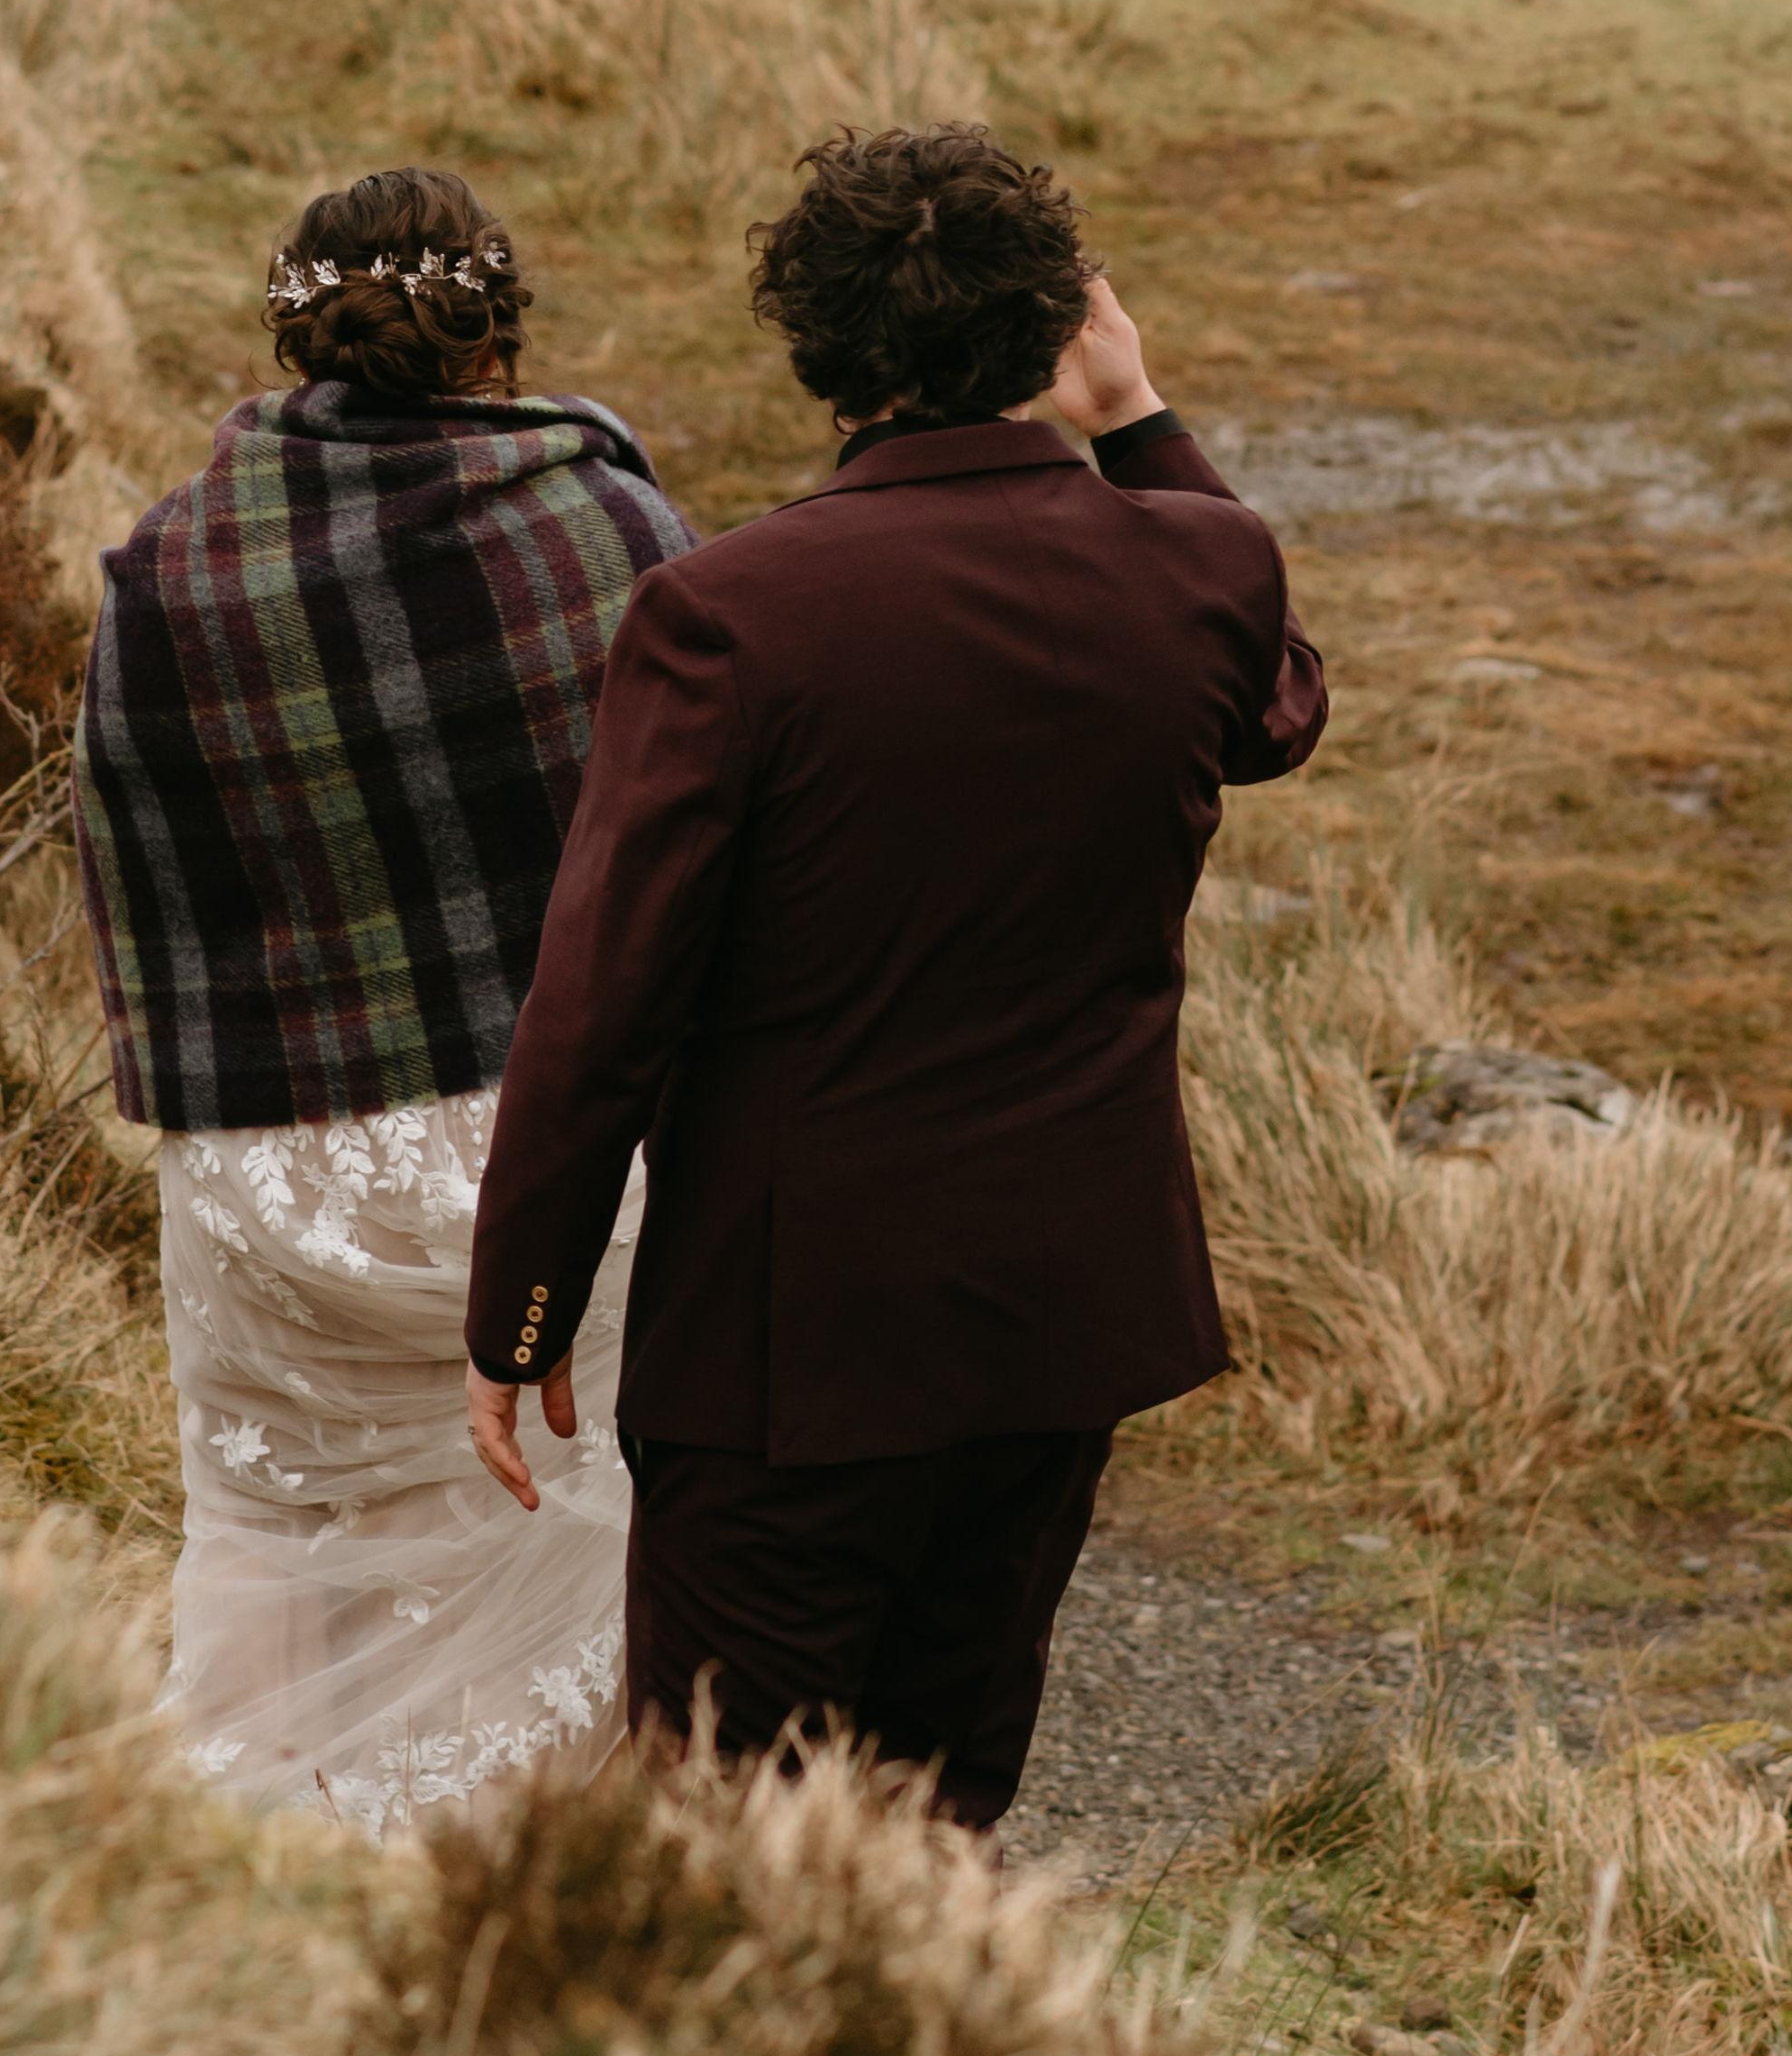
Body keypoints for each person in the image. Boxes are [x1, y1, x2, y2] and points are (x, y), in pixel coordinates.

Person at [456, 121, 1323, 1834]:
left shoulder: (726, 617)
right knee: (940, 1804)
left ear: (820, 348)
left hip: (797, 1347)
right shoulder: (1196, 576)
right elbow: (1278, 699)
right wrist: (1138, 417)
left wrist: (523, 1313)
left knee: (723, 1825)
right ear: (1052, 328)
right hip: (1070, 1315)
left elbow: (601, 1008)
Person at [73, 162, 691, 1835]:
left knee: (278, 1553)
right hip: (545, 1167)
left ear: (290, 334)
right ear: (498, 337)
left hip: (267, 1174)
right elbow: (684, 865)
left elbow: (145, 877)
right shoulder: (613, 536)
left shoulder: (164, 576)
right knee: (551, 1546)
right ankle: (522, 1908)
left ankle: (248, 1882)